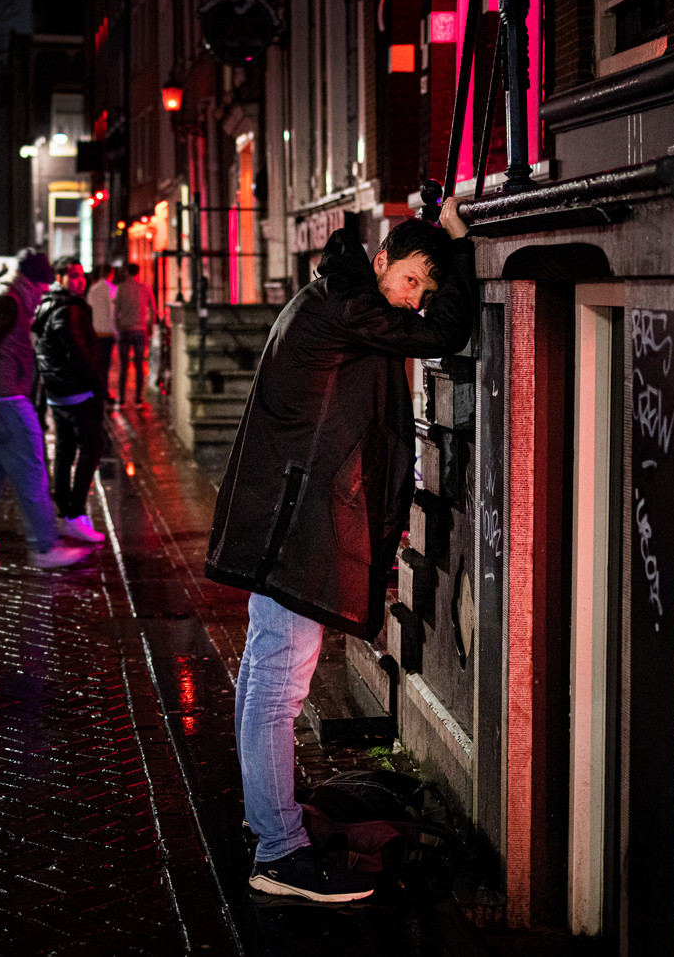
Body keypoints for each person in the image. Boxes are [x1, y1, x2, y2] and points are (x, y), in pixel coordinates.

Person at [205, 200, 473, 902]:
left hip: (287, 518)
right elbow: (447, 329)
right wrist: (460, 242)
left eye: (422, 290)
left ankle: (267, 819)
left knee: (265, 674)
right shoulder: (349, 304)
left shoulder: (337, 294)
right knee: (277, 684)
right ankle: (279, 850)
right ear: (383, 260)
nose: (414, 301)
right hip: (298, 526)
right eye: (412, 281)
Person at [0, 249, 93, 573]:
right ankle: (45, 547)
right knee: (33, 472)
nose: (45, 293)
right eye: (44, 286)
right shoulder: (9, 301)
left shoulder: (5, 296)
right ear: (35, 281)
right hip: (7, 401)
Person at [33, 256, 108, 544]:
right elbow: (79, 354)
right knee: (91, 448)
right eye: (73, 275)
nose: (79, 281)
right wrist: (97, 384)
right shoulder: (69, 310)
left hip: (58, 393)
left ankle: (64, 509)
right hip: (77, 392)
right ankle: (74, 513)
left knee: (65, 449)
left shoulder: (48, 303)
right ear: (61, 276)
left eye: (81, 276)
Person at [113, 262, 155, 405]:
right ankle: (138, 397)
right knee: (139, 365)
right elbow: (153, 309)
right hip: (139, 330)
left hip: (125, 330)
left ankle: (121, 398)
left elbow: (116, 310)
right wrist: (149, 326)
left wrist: (118, 327)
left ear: (126, 272)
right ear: (138, 273)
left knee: (123, 366)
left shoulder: (121, 288)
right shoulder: (144, 288)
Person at [86, 264, 116, 398]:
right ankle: (103, 390)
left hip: (95, 331)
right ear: (111, 274)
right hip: (108, 331)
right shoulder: (112, 289)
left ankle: (96, 389)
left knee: (97, 362)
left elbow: (88, 309)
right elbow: (113, 311)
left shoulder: (93, 289)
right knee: (106, 363)